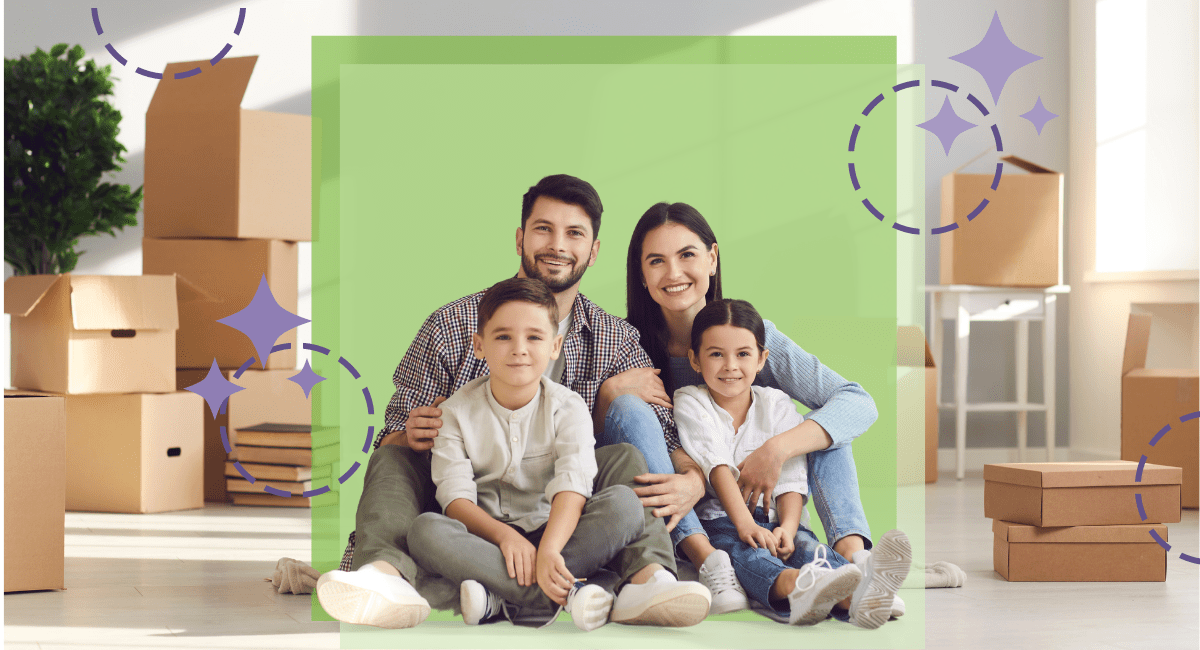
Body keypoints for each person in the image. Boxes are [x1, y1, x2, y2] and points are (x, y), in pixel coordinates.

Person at [316, 175, 710, 629]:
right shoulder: (453, 324)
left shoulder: (616, 338)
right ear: (521, 237)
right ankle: (384, 574)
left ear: (593, 251)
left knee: (624, 456)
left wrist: (693, 478)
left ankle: (647, 577)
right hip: (469, 516)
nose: (557, 245)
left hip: (564, 517)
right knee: (392, 456)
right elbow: (393, 432)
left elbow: (658, 432)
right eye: (544, 229)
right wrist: (412, 431)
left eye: (574, 233)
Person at [604, 201, 905, 623]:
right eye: (657, 261)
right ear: (641, 274)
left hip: (766, 495)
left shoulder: (751, 335)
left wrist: (776, 450)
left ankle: (855, 559)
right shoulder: (626, 345)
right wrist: (691, 473)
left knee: (827, 424)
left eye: (687, 255)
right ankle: (711, 562)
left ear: (712, 258)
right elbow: (621, 434)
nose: (673, 273)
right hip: (694, 510)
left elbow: (858, 401)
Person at [405, 278, 652, 631]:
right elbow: (455, 498)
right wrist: (506, 538)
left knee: (626, 505)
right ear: (479, 345)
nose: (519, 349)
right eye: (503, 337)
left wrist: (549, 550)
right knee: (425, 530)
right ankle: (570, 593)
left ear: (555, 346)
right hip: (487, 542)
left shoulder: (569, 407)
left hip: (559, 534)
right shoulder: (454, 412)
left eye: (534, 337)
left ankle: (500, 598)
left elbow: (573, 483)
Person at [675, 298, 911, 627]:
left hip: (777, 518)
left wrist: (786, 526)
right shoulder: (690, 400)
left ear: (762, 359)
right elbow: (717, 469)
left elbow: (791, 478)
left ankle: (861, 584)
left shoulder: (775, 403)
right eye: (716, 354)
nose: (730, 366)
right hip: (724, 521)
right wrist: (747, 526)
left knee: (805, 545)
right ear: (695, 360)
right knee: (747, 555)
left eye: (743, 354)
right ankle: (802, 587)